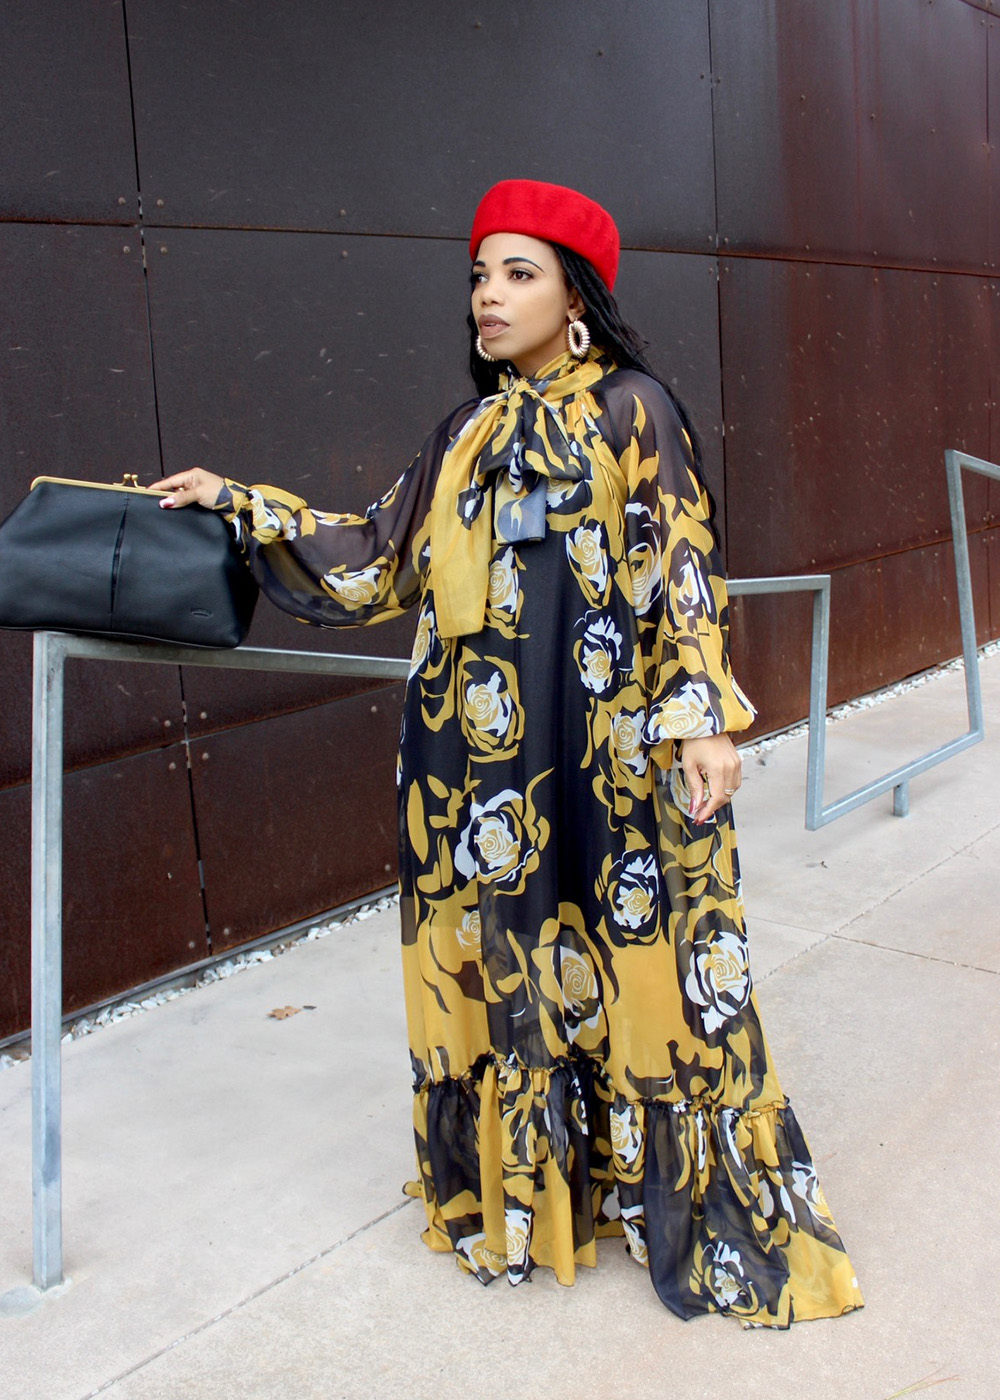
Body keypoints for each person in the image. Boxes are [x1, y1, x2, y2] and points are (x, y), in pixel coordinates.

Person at [154, 179, 863, 1328]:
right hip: (470, 766)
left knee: (637, 958)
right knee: (504, 964)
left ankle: (662, 1186)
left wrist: (701, 714)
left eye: (518, 273)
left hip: (600, 755)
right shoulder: (465, 433)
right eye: (480, 274)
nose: (488, 294)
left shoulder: (633, 408)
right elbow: (374, 558)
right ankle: (537, 1189)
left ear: (577, 296)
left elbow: (680, 558)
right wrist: (238, 505)